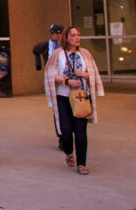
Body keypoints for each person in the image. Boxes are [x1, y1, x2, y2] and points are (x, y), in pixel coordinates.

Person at [44, 26, 104, 175]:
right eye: (73, 35)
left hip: (81, 97)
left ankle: (82, 163)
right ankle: (69, 152)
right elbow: (51, 75)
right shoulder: (58, 55)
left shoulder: (85, 54)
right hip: (63, 97)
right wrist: (67, 81)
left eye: (78, 35)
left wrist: (84, 76)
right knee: (65, 131)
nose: (77, 38)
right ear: (66, 38)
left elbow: (93, 74)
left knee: (81, 131)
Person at [33, 23, 66, 148]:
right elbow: (35, 49)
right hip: (53, 81)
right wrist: (38, 64)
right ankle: (61, 137)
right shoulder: (47, 46)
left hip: (66, 79)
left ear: (59, 34)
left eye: (52, 33)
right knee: (58, 109)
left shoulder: (67, 46)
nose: (49, 35)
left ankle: (67, 133)